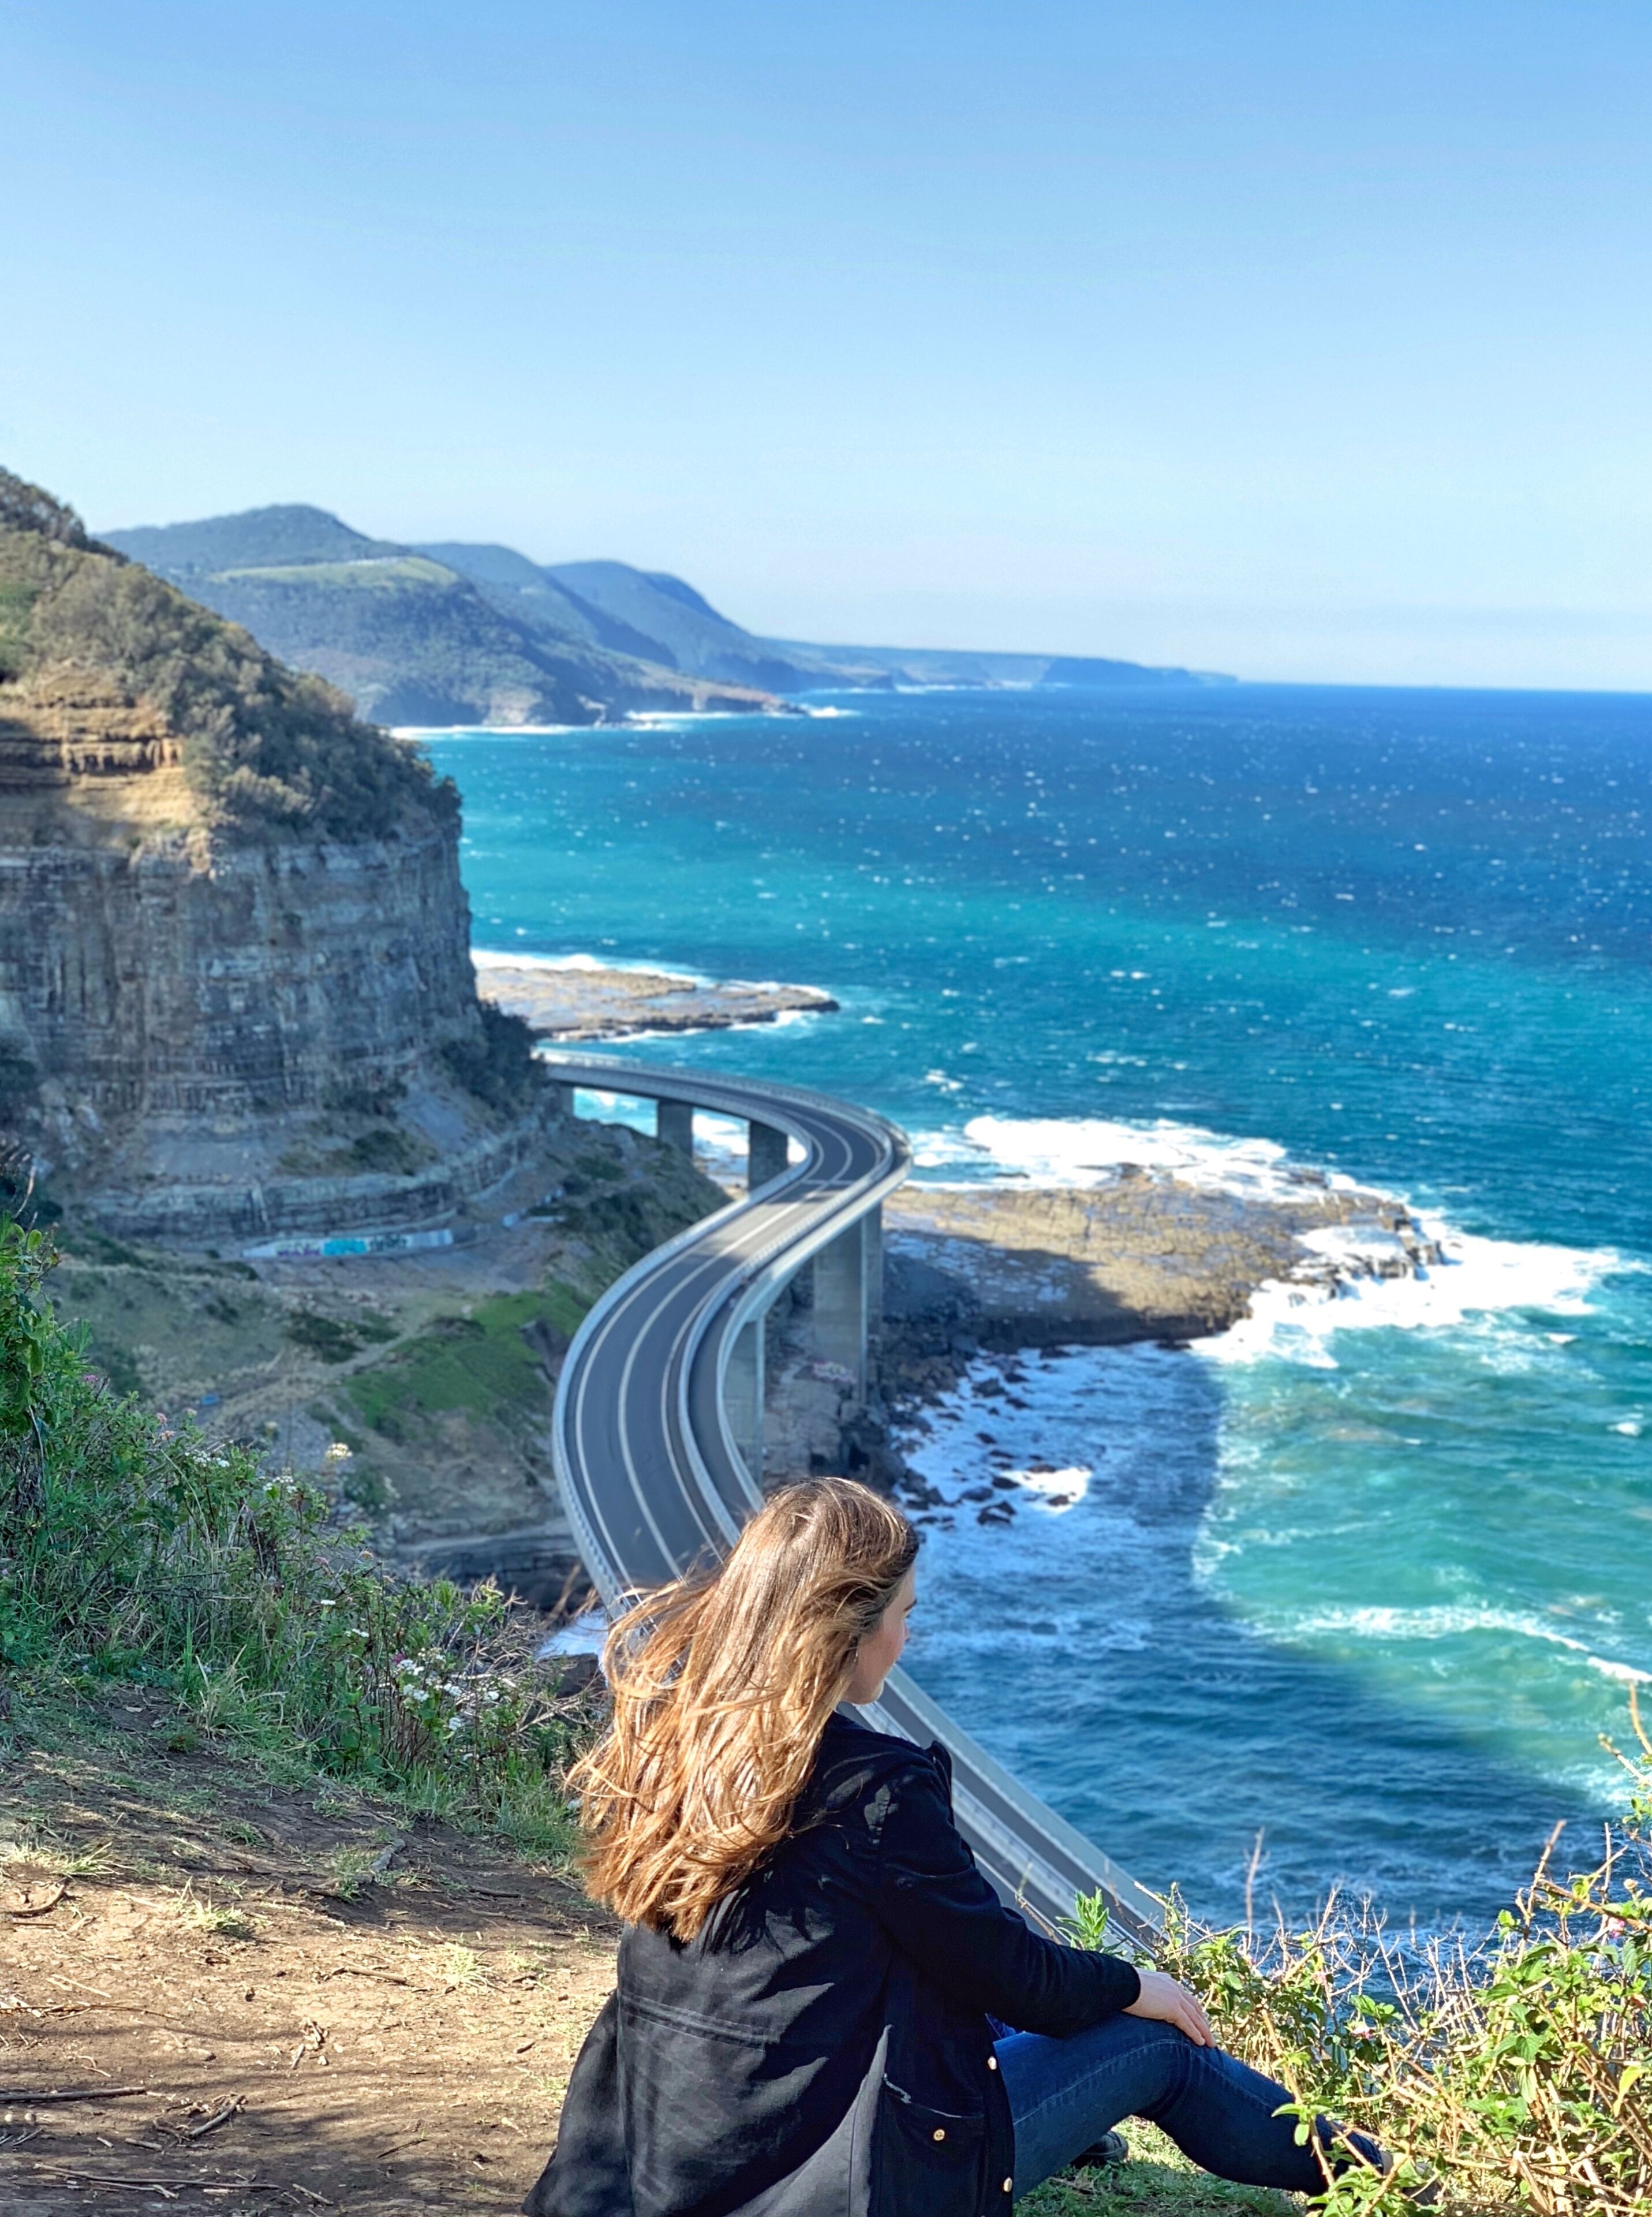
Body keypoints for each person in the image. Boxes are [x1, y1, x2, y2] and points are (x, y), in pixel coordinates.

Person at [524, 1477, 1384, 2217]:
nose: (908, 1637)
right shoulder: (870, 1789)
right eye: (902, 1614)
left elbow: (926, 1953)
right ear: (843, 1630)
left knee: (979, 1956)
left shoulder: (677, 1742)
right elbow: (1015, 1977)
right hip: (825, 2184)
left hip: (652, 2162)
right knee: (1154, 2044)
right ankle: (1386, 2181)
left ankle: (1086, 2134)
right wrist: (1137, 1986)